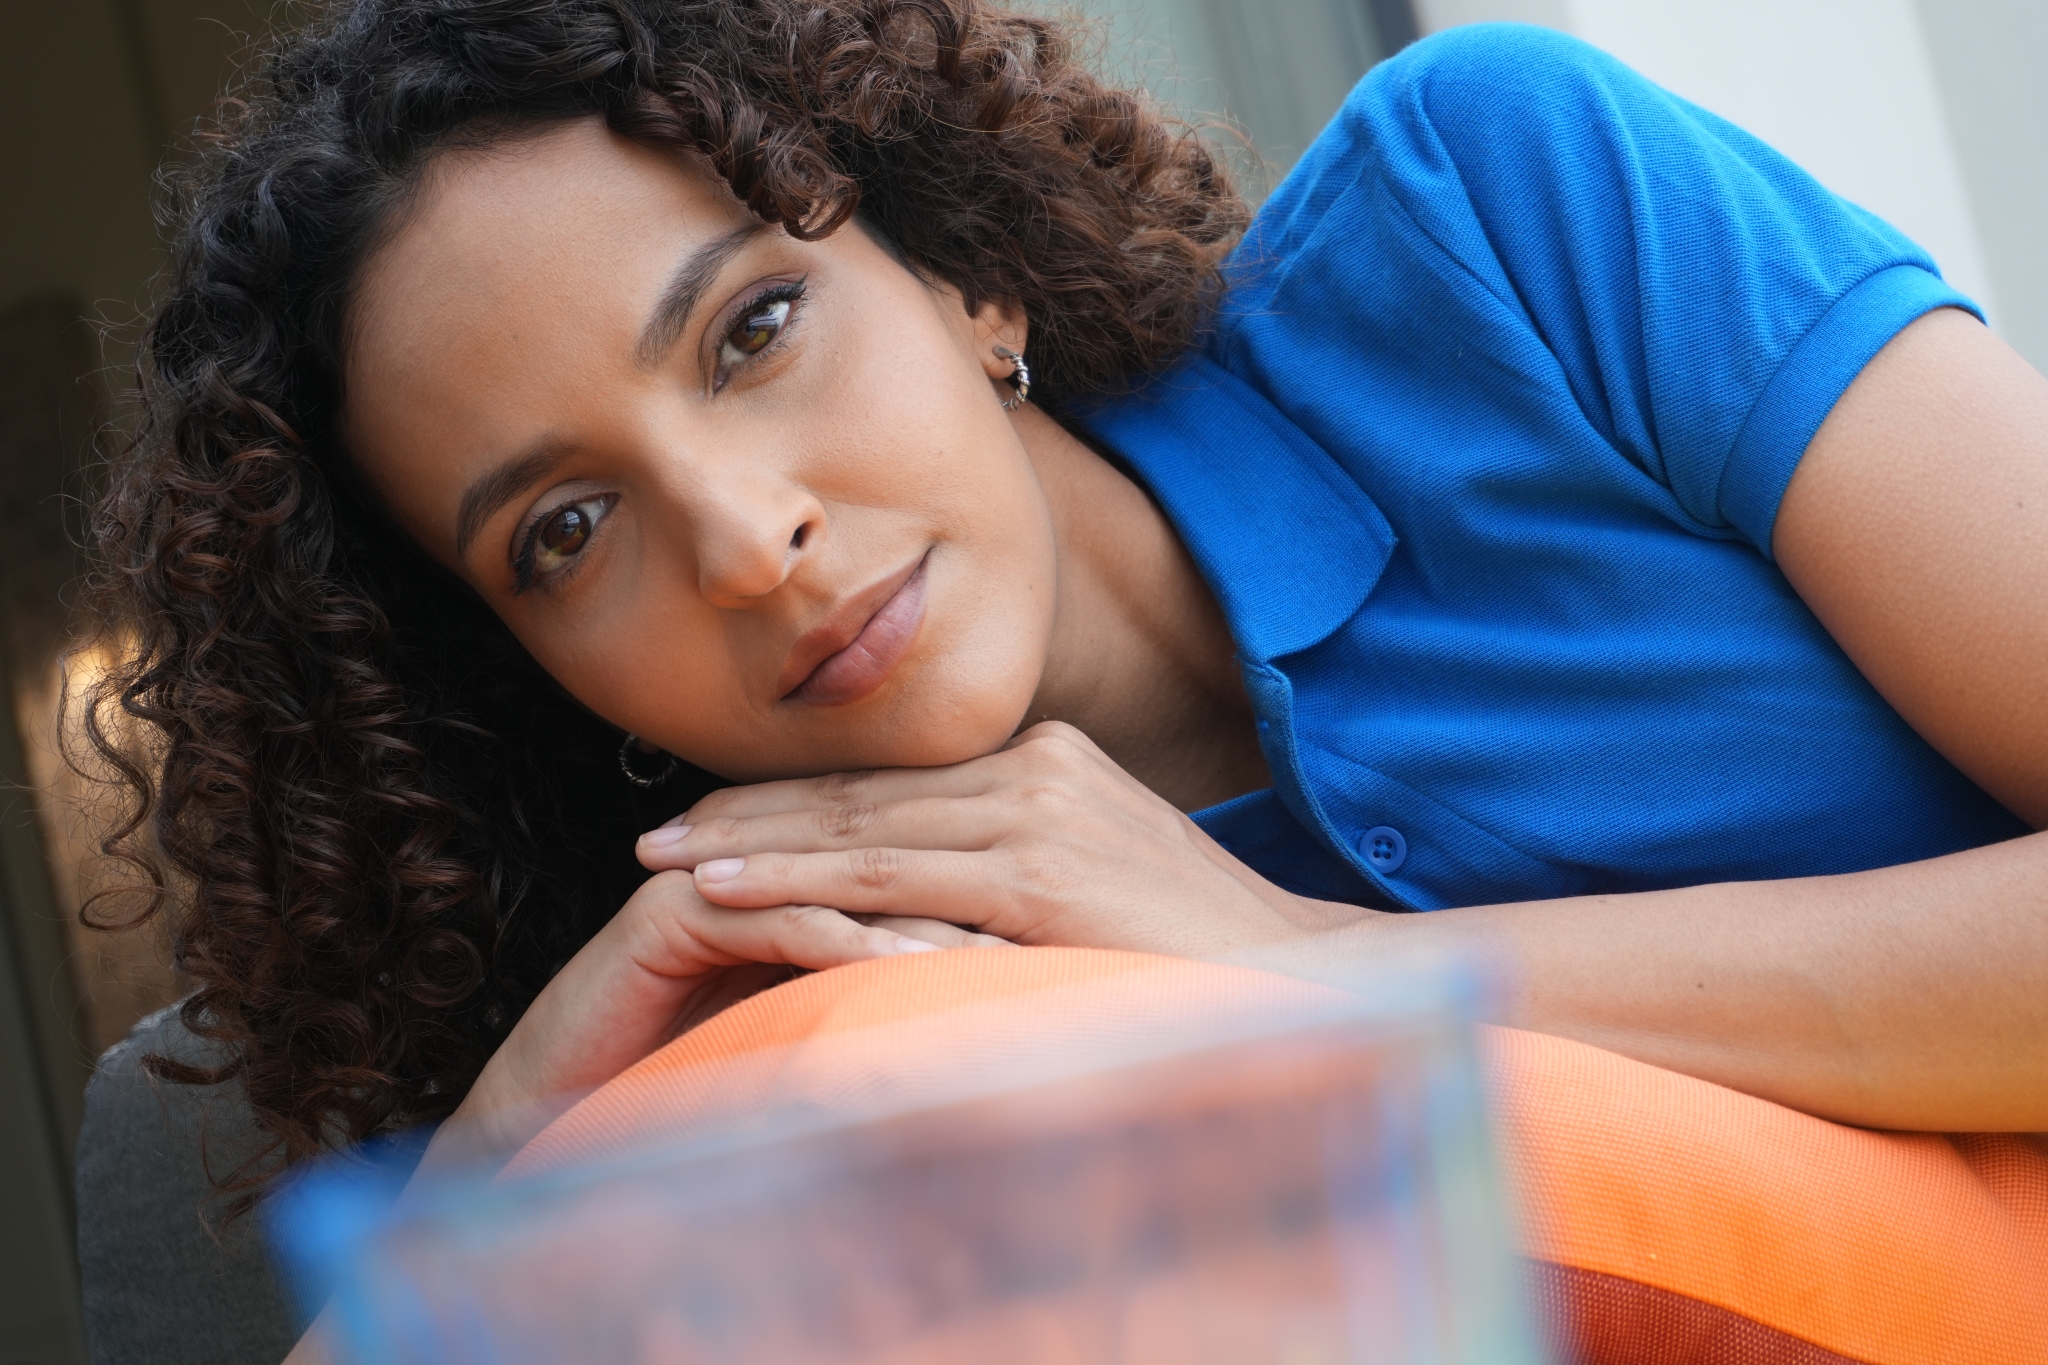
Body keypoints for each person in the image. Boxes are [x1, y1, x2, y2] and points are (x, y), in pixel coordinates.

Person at [82, 0, 2047, 1276]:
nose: (749, 542)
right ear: (529, 671)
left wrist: (1322, 971)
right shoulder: (836, 1022)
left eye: (753, 329)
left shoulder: (1495, 209)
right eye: (566, 533)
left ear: (963, 280)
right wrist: (508, 1148)